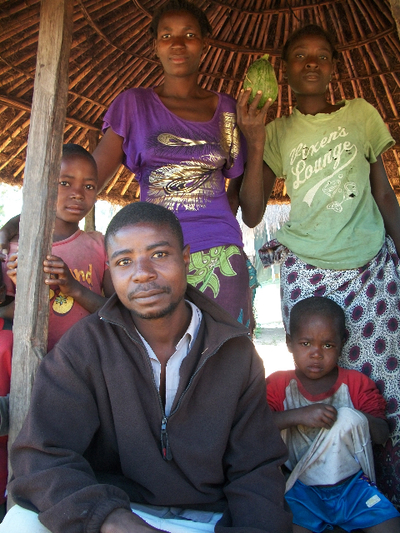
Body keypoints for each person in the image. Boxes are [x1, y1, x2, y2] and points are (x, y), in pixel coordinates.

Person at [0, 202, 292, 533]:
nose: (143, 273)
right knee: (20, 523)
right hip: (113, 510)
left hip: (205, 519)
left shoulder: (234, 352)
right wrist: (111, 520)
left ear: (185, 258)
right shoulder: (84, 346)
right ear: (110, 271)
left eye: (159, 255)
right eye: (125, 262)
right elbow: (40, 457)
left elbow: (255, 469)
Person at [236, 23, 400, 507]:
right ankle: (320, 492)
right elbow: (251, 211)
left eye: (322, 55)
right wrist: (254, 137)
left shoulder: (363, 116)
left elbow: (385, 194)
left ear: (335, 66)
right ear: (284, 71)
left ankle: (381, 497)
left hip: (371, 265)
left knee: (384, 387)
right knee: (318, 378)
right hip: (307, 265)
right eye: (300, 56)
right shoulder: (280, 130)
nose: (311, 62)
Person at [91, 0, 254, 329]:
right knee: (158, 363)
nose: (178, 44)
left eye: (189, 34)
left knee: (226, 356)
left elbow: (237, 189)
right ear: (155, 46)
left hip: (219, 252)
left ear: (204, 44)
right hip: (153, 256)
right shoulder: (133, 104)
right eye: (167, 36)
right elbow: (88, 179)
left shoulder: (226, 109)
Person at [266, 297, 400, 533]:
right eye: (306, 343)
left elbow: (381, 434)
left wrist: (348, 416)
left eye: (327, 345)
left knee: (391, 525)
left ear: (342, 342)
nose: (316, 354)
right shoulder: (278, 384)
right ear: (289, 342)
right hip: (301, 487)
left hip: (353, 487)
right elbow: (257, 427)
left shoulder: (356, 384)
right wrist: (299, 415)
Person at [3, 143, 114, 351]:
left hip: (85, 364)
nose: (78, 194)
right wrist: (26, 289)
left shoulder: (101, 246)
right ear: (43, 184)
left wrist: (74, 289)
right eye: (65, 183)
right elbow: (4, 316)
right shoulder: (15, 251)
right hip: (26, 368)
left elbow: (117, 313)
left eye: (89, 186)